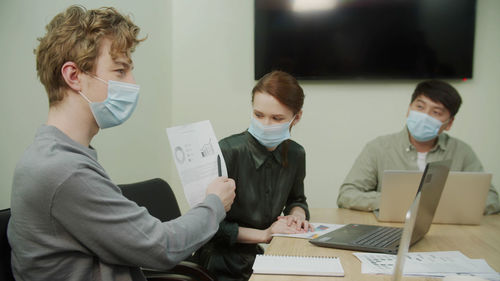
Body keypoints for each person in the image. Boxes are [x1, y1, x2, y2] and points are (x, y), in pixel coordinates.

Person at [7, 5, 236, 281]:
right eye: (120, 71)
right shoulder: (62, 170)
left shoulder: (59, 157)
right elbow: (161, 246)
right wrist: (215, 204)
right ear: (73, 76)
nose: (133, 83)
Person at [191, 70, 312, 281]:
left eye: (277, 118)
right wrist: (265, 234)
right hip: (221, 264)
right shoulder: (228, 152)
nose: (265, 125)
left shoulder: (296, 154)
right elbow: (208, 223)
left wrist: (297, 216)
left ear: (297, 117)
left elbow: (297, 200)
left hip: (265, 258)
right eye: (258, 115)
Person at [337, 80, 500, 215]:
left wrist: (443, 205)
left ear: (449, 123)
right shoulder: (379, 147)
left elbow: (491, 198)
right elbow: (347, 195)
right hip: (389, 228)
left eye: (436, 112)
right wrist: (397, 201)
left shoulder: (462, 151)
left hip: (448, 232)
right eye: (420, 107)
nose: (425, 116)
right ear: (409, 109)